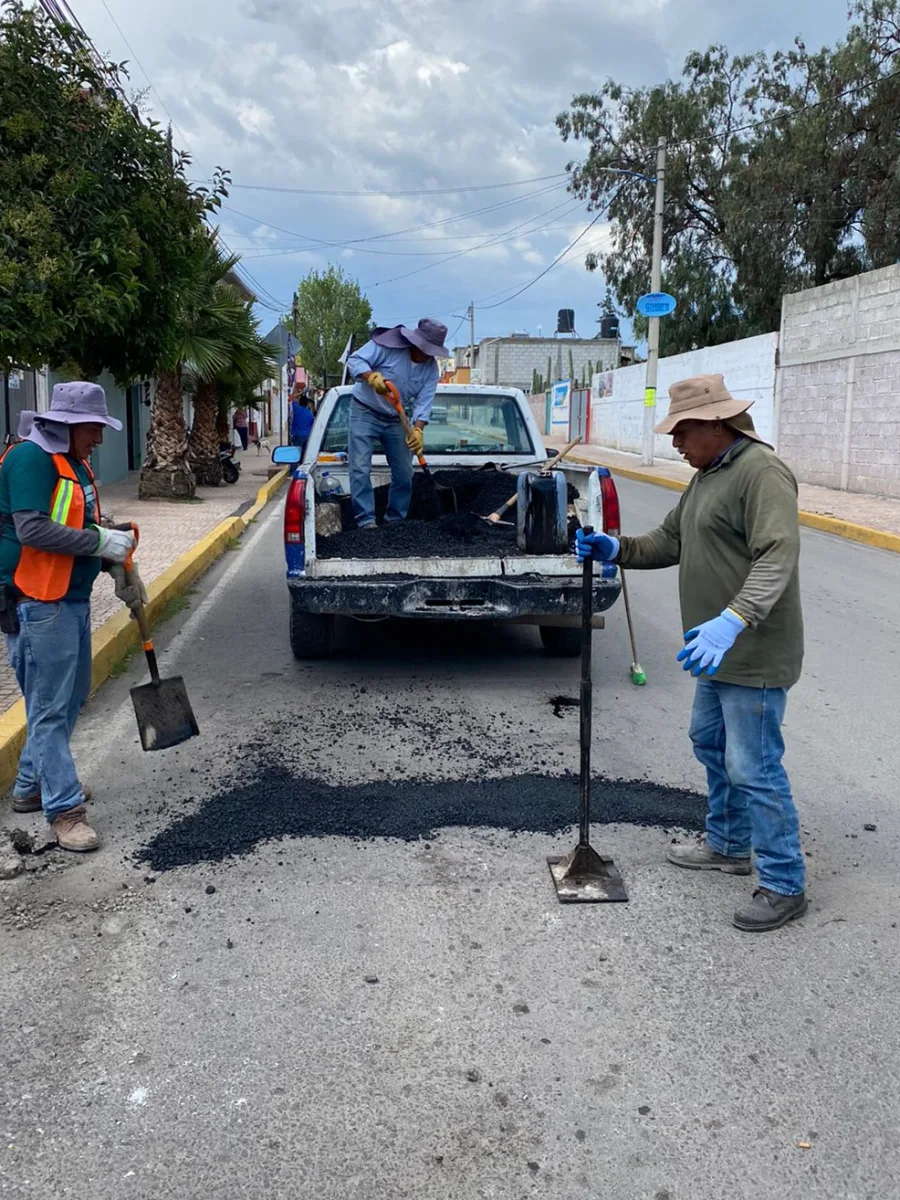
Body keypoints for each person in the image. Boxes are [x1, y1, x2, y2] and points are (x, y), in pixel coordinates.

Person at [577, 374, 806, 933]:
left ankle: (784, 883)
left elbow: (778, 553)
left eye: (682, 432)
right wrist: (618, 548)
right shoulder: (706, 477)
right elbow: (671, 542)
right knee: (710, 743)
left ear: (715, 424)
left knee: (754, 766)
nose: (675, 444)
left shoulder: (761, 472)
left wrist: (734, 619)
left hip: (750, 649)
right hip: (715, 649)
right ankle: (728, 844)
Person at [0, 382, 146, 852]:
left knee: (68, 696)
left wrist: (112, 555)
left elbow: (75, 521)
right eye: (94, 428)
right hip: (36, 600)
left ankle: (28, 786)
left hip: (68, 596)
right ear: (67, 424)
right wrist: (99, 543)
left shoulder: (72, 462)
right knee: (48, 707)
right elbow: (34, 528)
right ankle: (64, 811)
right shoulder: (30, 459)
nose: (100, 438)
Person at [344, 318, 450, 529]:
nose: (427, 354)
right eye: (425, 348)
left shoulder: (430, 371)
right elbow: (354, 360)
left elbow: (424, 403)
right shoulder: (387, 346)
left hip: (395, 419)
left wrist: (418, 430)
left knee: (404, 473)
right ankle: (366, 521)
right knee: (360, 468)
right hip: (364, 411)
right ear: (416, 341)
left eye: (431, 350)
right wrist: (370, 376)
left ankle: (395, 522)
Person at [289, 391, 315, 456]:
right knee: (305, 455)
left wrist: (300, 393)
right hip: (307, 436)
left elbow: (292, 397)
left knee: (295, 454)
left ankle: (294, 466)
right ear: (307, 404)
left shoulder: (296, 409)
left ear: (299, 402)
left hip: (297, 435)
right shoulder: (310, 414)